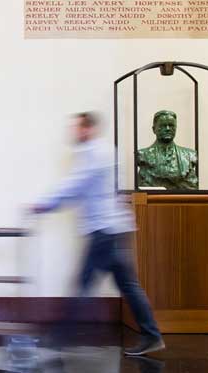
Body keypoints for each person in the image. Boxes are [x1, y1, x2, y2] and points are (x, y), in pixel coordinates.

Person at [30, 112, 165, 355]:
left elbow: (76, 184)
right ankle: (152, 335)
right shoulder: (103, 151)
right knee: (129, 286)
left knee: (82, 285)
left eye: (77, 128)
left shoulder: (95, 152)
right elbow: (81, 187)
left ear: (88, 128)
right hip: (115, 229)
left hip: (104, 230)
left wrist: (44, 204)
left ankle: (59, 339)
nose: (74, 133)